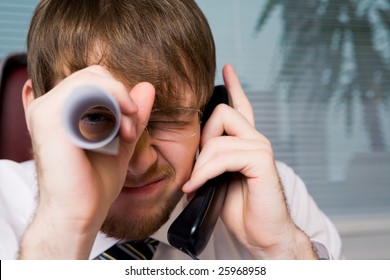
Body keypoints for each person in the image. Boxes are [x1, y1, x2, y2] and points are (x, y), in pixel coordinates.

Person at [0, 0, 341, 260]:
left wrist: (281, 249)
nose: (139, 161)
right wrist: (63, 232)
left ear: (207, 114)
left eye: (172, 116)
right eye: (100, 118)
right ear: (34, 109)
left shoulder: (277, 196)